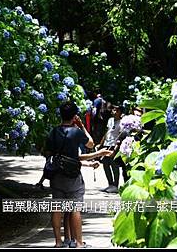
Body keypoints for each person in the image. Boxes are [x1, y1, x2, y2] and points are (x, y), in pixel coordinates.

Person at [44, 101, 112, 248]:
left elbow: (47, 152)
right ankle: (79, 243)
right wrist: (82, 126)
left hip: (56, 175)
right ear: (75, 116)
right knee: (75, 208)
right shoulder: (76, 132)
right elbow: (91, 144)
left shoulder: (54, 132)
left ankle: (58, 242)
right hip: (72, 176)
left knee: (57, 207)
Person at [97, 104, 127, 193]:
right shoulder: (110, 120)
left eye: (116, 110)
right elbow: (107, 132)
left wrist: (115, 149)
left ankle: (115, 185)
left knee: (114, 165)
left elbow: (121, 137)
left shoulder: (122, 123)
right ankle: (110, 184)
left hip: (114, 145)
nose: (113, 111)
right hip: (107, 144)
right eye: (113, 110)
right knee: (105, 164)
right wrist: (101, 144)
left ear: (120, 112)